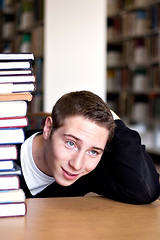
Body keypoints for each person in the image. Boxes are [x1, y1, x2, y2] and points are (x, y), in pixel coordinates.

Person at [16, 90, 160, 204]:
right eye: (71, 143)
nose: (77, 165)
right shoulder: (7, 152)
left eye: (93, 151)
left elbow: (145, 190)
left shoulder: (91, 170)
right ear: (48, 128)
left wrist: (118, 126)